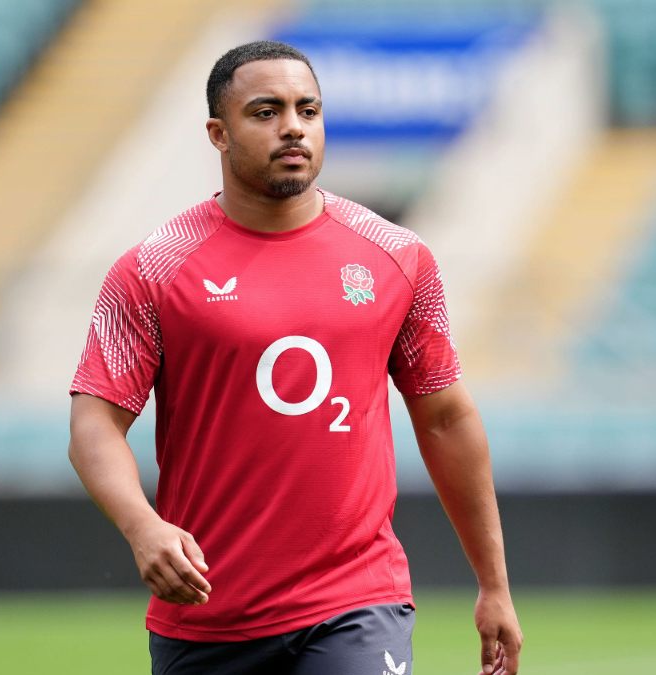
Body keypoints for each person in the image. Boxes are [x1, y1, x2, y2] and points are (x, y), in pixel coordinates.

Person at [68, 40, 523, 675]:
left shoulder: (397, 257)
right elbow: (95, 422)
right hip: (207, 616)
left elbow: (445, 418)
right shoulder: (152, 269)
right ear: (218, 134)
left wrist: (494, 585)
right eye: (265, 111)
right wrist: (143, 527)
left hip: (358, 604)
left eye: (307, 110)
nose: (292, 127)